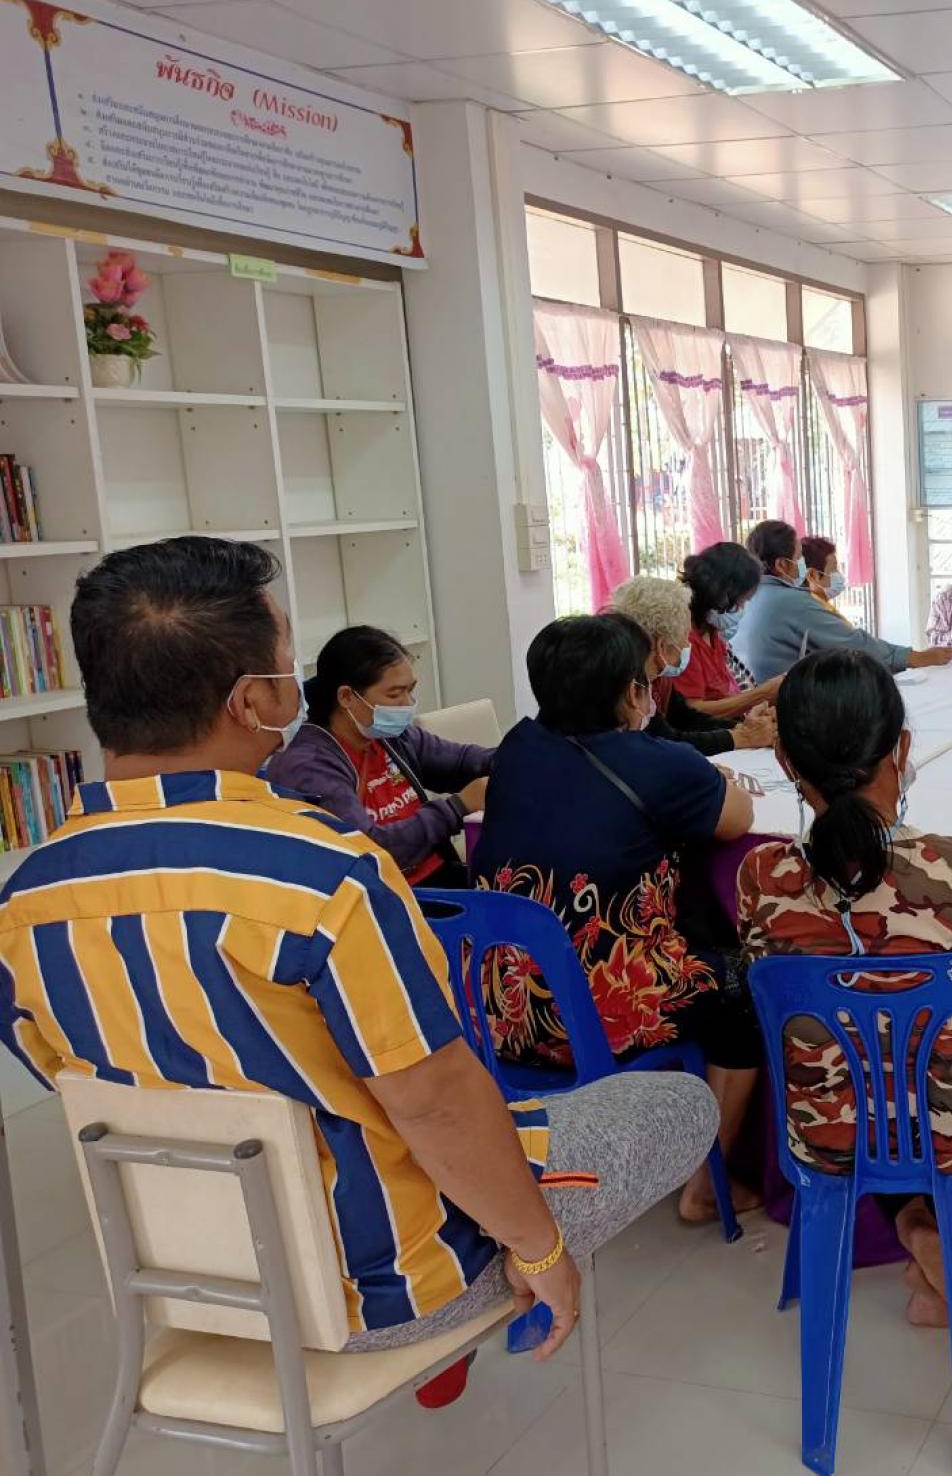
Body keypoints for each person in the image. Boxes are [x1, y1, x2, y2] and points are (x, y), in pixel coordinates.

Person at [0, 537, 717, 1358]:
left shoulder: (22, 904)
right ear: (250, 701)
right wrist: (539, 1248)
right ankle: (475, 1307)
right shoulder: (325, 872)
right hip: (382, 1287)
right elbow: (433, 1101)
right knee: (674, 1105)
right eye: (286, 665)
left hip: (187, 1277)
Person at [738, 650, 952, 1328]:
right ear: (902, 749)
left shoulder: (763, 877)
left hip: (830, 1131)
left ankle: (917, 1226)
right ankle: (931, 1228)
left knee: (875, 1074)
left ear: (784, 762)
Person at [471, 613, 759, 1224]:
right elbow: (738, 819)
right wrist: (714, 778)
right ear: (633, 691)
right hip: (596, 1013)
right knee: (745, 985)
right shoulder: (659, 763)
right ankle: (706, 1186)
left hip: (496, 1005)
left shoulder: (517, 748)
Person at [268, 625, 492, 888]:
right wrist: (458, 807)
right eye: (395, 694)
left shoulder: (389, 737)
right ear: (347, 697)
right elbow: (369, 849)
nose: (407, 703)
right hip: (387, 895)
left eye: (410, 690)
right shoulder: (308, 765)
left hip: (437, 875)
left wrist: (516, 757)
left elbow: (463, 762)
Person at [735, 519, 952, 683]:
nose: (802, 562)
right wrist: (913, 657)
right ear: (782, 565)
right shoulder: (790, 602)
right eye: (798, 557)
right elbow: (853, 644)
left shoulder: (751, 596)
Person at [608, 574, 776, 757]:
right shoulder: (625, 687)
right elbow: (664, 740)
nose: (688, 644)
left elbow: (687, 718)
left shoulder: (656, 677)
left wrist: (744, 728)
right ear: (662, 646)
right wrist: (741, 737)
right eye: (686, 635)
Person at [678, 541, 783, 710]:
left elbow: (727, 692)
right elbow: (694, 711)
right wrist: (761, 694)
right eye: (742, 600)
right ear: (720, 594)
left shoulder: (712, 634)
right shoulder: (684, 642)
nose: (742, 608)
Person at [801, 535, 844, 613]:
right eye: (833, 569)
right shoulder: (813, 612)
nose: (839, 575)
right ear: (812, 575)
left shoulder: (819, 606)